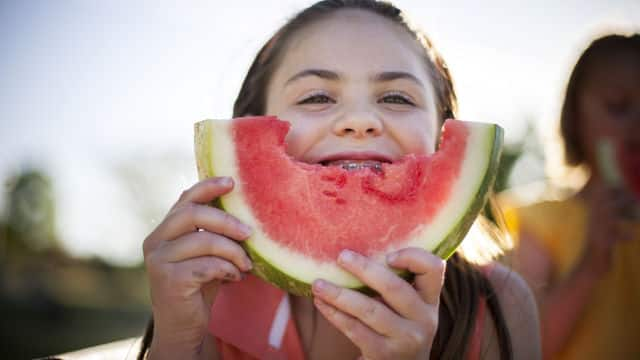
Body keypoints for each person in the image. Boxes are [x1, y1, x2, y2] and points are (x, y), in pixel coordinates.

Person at [139, 1, 540, 359]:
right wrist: (174, 344)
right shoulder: (209, 299)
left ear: (442, 130)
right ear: (251, 125)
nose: (360, 121)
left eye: (397, 98)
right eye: (316, 97)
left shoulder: (497, 306)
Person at [504, 34, 640, 359]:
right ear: (575, 118)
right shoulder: (538, 221)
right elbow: (525, 348)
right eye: (618, 108)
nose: (638, 127)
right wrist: (591, 265)